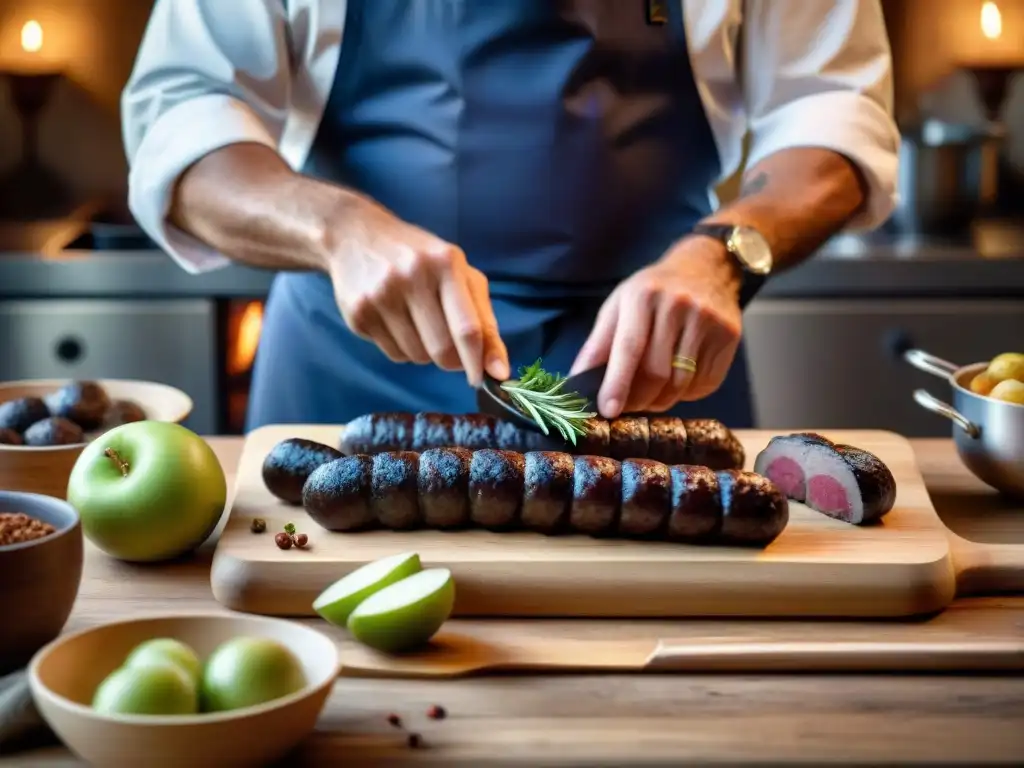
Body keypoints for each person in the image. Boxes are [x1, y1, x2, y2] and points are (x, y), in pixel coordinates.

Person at [122, 0, 898, 432]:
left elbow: (828, 112)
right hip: (349, 365)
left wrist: (724, 255)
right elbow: (182, 114)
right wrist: (337, 229)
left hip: (651, 367)